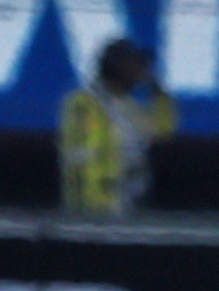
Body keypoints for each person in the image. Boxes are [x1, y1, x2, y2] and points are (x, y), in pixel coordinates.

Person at [61, 35, 176, 217]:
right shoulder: (85, 103)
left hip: (128, 201)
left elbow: (163, 132)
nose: (140, 70)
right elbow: (79, 157)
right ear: (116, 67)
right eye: (133, 64)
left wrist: (158, 91)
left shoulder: (132, 108)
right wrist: (91, 202)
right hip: (95, 205)